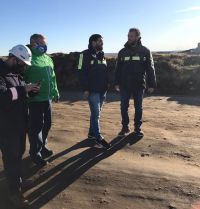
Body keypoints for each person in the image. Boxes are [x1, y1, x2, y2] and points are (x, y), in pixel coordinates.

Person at [0, 45, 40, 208]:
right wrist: (24, 89)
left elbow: (18, 94)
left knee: (18, 155)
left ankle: (19, 181)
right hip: (6, 126)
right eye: (23, 63)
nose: (24, 66)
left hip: (19, 124)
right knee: (11, 159)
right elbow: (3, 96)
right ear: (14, 59)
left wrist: (31, 91)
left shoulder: (15, 73)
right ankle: (14, 193)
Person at [23, 34, 60, 166]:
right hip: (34, 99)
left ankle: (42, 146)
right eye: (41, 44)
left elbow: (53, 76)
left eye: (45, 44)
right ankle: (35, 153)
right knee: (36, 127)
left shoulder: (48, 59)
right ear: (33, 44)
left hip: (47, 98)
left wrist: (55, 92)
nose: (44, 46)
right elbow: (21, 78)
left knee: (47, 124)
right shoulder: (27, 59)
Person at [115, 28, 156, 137]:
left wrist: (151, 84)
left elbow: (150, 68)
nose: (129, 38)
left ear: (137, 37)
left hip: (139, 84)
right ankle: (125, 127)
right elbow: (118, 68)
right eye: (128, 36)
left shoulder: (145, 51)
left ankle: (137, 128)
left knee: (138, 107)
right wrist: (116, 82)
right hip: (124, 84)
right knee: (123, 106)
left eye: (131, 36)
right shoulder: (122, 52)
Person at [77, 34, 110, 149]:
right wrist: (85, 89)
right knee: (96, 114)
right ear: (93, 42)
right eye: (100, 41)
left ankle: (91, 134)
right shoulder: (83, 55)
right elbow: (81, 73)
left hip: (103, 90)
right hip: (92, 90)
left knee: (96, 113)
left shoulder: (102, 55)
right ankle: (98, 138)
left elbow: (105, 72)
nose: (102, 43)